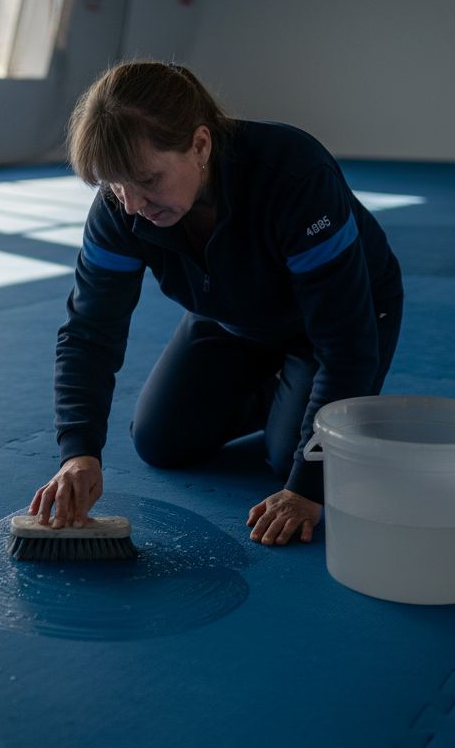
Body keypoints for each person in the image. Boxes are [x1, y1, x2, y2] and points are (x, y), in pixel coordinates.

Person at [28, 60, 404, 546]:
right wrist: (78, 452)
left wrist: (307, 490)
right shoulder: (121, 209)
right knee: (159, 441)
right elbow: (89, 332)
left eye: (148, 179)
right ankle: (293, 399)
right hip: (232, 317)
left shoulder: (293, 174)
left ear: (200, 144)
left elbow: (347, 343)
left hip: (342, 320)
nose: (133, 205)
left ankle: (311, 403)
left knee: (290, 458)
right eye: (113, 185)